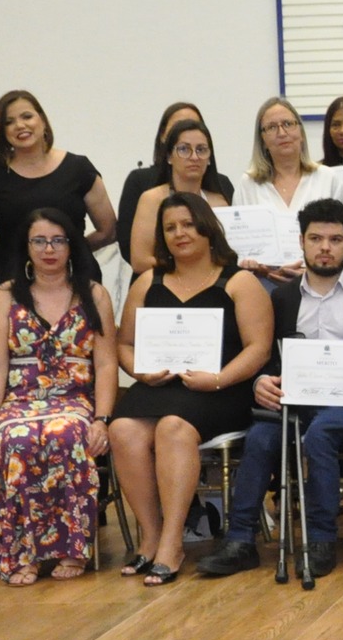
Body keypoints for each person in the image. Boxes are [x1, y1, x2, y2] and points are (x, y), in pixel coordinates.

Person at [197, 199, 343, 580]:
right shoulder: (283, 297)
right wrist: (261, 380)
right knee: (261, 438)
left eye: (335, 239)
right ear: (301, 242)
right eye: (316, 238)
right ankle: (240, 541)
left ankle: (320, 539)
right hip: (299, 399)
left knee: (320, 435)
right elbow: (266, 355)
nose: (325, 247)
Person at [111, 193, 274, 585]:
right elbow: (124, 344)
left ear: (207, 228)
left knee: (172, 427)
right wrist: (141, 371)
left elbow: (259, 348)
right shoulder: (149, 281)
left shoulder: (239, 281)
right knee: (122, 429)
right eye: (170, 228)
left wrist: (217, 379)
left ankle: (173, 542)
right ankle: (149, 536)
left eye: (187, 224)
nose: (179, 233)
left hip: (221, 390)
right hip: (160, 386)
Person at [0, 208, 118, 584]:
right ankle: (22, 553)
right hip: (19, 400)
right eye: (39, 241)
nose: (48, 249)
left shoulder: (94, 294)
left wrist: (102, 419)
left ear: (71, 246)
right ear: (27, 247)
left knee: (66, 436)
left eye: (58, 240)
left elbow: (105, 365)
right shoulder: (5, 296)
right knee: (15, 441)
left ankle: (71, 548)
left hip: (74, 399)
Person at [0, 89, 116, 281]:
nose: (20, 125)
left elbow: (108, 231)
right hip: (14, 282)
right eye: (9, 122)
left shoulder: (79, 168)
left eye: (27, 116)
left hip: (76, 280)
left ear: (42, 121)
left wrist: (69, 249)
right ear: (1, 131)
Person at [232, 96, 343, 285]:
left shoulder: (328, 178)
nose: (281, 132)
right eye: (271, 127)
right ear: (262, 139)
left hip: (322, 281)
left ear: (301, 133)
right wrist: (254, 264)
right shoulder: (248, 184)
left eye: (288, 124)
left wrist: (312, 269)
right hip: (264, 283)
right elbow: (237, 246)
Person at [114, 102, 234, 259]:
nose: (194, 157)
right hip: (162, 278)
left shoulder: (220, 200)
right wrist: (187, 270)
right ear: (169, 155)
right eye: (184, 149)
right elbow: (139, 259)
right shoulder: (150, 198)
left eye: (201, 150)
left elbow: (230, 254)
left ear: (210, 157)